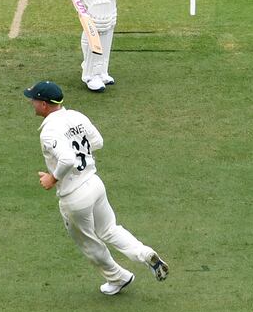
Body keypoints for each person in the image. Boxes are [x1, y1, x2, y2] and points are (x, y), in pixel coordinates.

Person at [25, 80, 168, 294]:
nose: (32, 103)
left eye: (34, 100)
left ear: (44, 104)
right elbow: (97, 141)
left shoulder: (49, 131)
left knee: (89, 244)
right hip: (94, 183)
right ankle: (144, 253)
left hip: (75, 196)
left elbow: (67, 160)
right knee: (110, 229)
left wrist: (52, 178)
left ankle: (119, 277)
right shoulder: (76, 116)